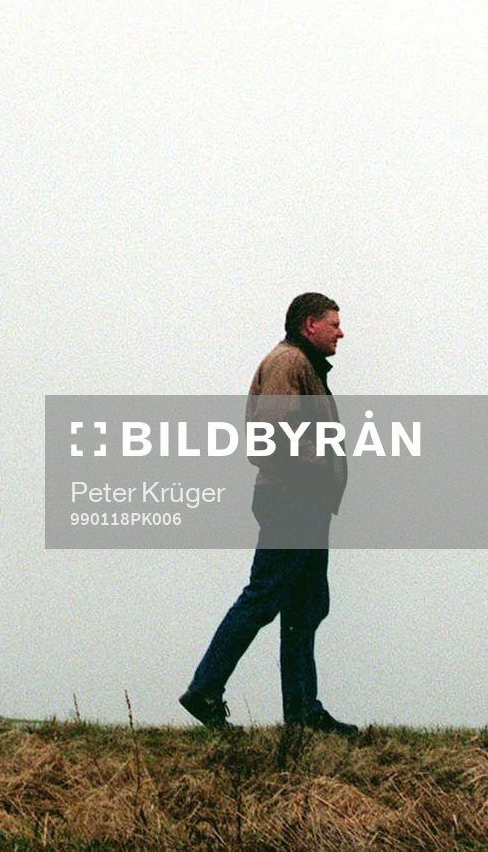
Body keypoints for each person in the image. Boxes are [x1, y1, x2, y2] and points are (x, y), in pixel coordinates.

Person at [178, 292, 359, 735]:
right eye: (333, 323)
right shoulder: (288, 363)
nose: (341, 331)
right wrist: (319, 462)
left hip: (306, 502)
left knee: (306, 604)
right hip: (292, 499)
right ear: (308, 325)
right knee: (264, 596)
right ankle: (205, 689)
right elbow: (272, 431)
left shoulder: (304, 365)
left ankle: (302, 711)